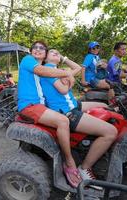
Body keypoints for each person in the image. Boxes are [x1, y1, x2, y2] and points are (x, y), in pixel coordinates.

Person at [40, 49, 118, 189]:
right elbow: (64, 90)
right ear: (45, 58)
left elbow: (77, 68)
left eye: (58, 52)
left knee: (105, 106)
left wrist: (64, 59)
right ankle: (84, 168)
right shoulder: (47, 70)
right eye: (52, 52)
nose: (56, 53)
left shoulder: (58, 69)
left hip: (74, 104)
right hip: (66, 111)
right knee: (110, 132)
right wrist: (70, 79)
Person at [17, 41, 82, 188]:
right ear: (31, 51)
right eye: (35, 47)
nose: (38, 49)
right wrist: (67, 73)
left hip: (40, 105)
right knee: (63, 121)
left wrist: (67, 76)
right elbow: (43, 71)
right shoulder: (29, 61)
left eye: (42, 48)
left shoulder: (42, 68)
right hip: (29, 105)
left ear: (45, 53)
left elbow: (62, 83)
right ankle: (69, 162)